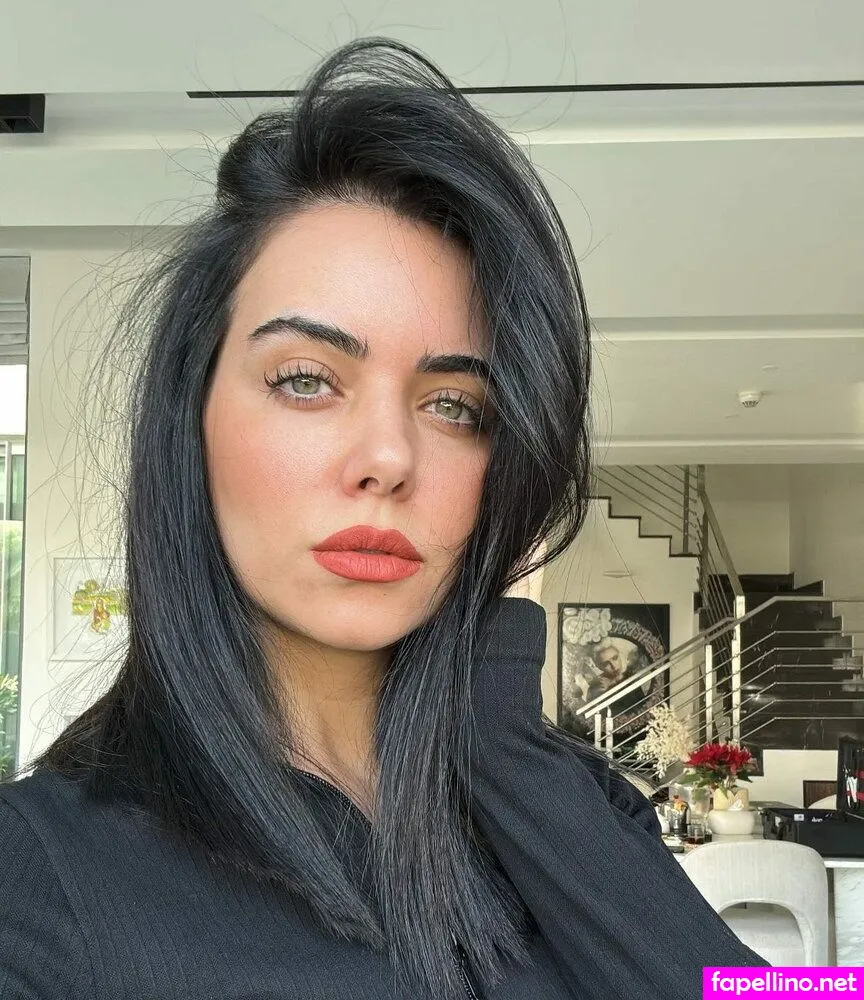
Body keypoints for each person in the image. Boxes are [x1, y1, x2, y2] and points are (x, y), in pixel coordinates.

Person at [0, 38, 766, 1000]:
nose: (390, 458)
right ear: (190, 420)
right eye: (306, 380)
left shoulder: (576, 805)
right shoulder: (38, 878)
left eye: (455, 406)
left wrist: (498, 734)